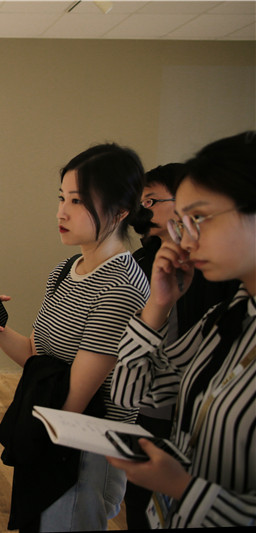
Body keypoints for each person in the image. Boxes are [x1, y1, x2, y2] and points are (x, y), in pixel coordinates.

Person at [0, 143, 150, 531]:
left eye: (78, 201)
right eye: (61, 198)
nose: (62, 212)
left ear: (121, 210)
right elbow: (36, 356)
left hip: (81, 450)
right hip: (49, 433)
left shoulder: (121, 286)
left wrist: (33, 443)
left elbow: (76, 400)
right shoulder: (66, 269)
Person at [108, 131, 256, 528]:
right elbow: (130, 394)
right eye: (183, 224)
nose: (186, 241)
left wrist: (183, 487)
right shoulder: (228, 318)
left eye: (200, 219)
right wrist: (158, 306)